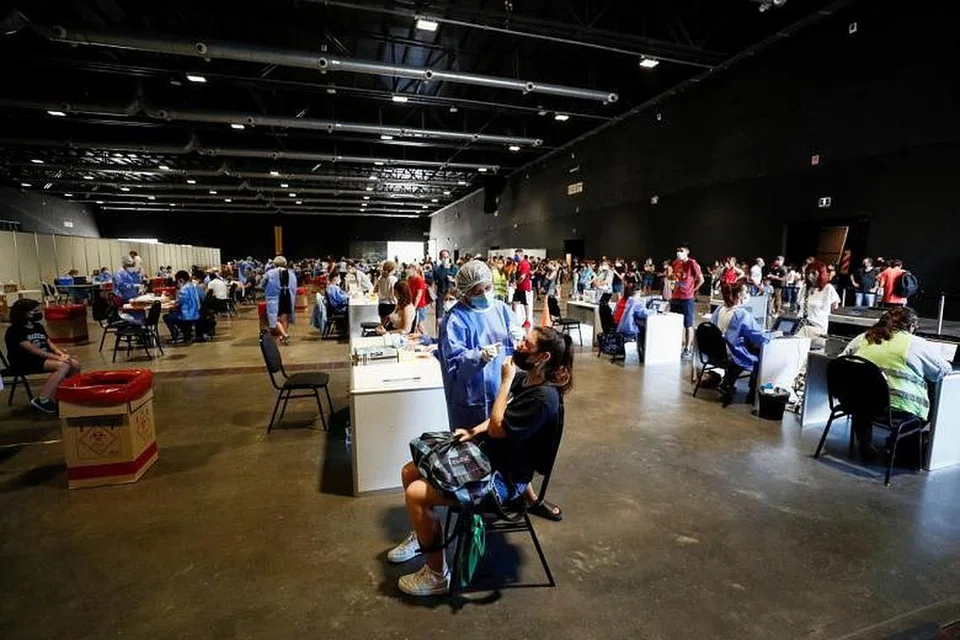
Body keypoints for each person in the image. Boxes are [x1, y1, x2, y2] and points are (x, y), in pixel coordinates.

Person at [388, 325, 573, 596]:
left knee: (416, 493)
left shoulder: (543, 398)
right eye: (522, 340)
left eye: (527, 344)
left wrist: (505, 381)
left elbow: (498, 428)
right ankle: (423, 535)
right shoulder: (528, 379)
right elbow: (499, 419)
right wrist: (473, 432)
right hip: (488, 456)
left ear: (543, 357)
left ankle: (437, 576)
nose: (519, 345)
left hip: (503, 481)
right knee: (410, 471)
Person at [840, 307, 951, 462]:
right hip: (895, 408)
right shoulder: (914, 343)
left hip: (857, 403)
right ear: (911, 326)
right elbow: (942, 371)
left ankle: (865, 443)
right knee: (932, 393)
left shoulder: (863, 337)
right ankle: (895, 444)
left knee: (865, 396)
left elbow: (841, 361)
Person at [4, 298, 82, 414]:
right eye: (34, 311)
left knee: (74, 364)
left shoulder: (38, 326)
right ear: (23, 313)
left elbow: (49, 343)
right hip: (24, 361)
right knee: (63, 366)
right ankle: (43, 399)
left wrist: (61, 354)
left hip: (41, 359)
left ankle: (68, 396)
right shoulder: (14, 330)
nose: (38, 313)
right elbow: (32, 350)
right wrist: (57, 358)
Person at [710, 280, 772, 406]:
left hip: (717, 352)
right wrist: (771, 336)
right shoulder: (741, 314)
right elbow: (757, 336)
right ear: (739, 295)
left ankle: (728, 380)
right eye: (746, 292)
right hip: (732, 354)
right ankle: (752, 391)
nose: (748, 295)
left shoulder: (719, 309)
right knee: (759, 356)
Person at [670, 243, 704, 360]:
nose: (679, 252)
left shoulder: (692, 263)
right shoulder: (675, 263)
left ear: (687, 252)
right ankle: (674, 345)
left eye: (681, 250)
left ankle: (688, 348)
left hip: (687, 298)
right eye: (677, 250)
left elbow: (701, 279)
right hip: (675, 297)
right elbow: (674, 277)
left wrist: (693, 290)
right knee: (674, 322)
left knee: (688, 324)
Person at [796, 261, 840, 341]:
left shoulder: (828, 288)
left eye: (814, 273)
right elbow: (799, 305)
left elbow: (835, 307)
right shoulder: (804, 288)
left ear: (822, 274)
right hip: (801, 326)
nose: (810, 276)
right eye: (808, 273)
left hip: (817, 327)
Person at [263, 256, 297, 345]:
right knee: (285, 317)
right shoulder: (291, 273)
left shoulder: (269, 273)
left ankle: (284, 335)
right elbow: (295, 285)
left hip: (275, 297)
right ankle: (283, 337)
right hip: (288, 297)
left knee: (274, 318)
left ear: (274, 264)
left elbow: (263, 283)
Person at [163, 270, 202, 343]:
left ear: (181, 280)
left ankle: (175, 336)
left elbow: (179, 303)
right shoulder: (194, 286)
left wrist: (173, 303)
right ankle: (185, 333)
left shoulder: (183, 289)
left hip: (186, 316)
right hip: (196, 314)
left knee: (167, 317)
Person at [433, 250, 458, 322]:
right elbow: (434, 283)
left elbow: (459, 281)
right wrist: (433, 298)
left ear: (449, 257)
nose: (445, 259)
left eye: (446, 257)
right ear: (440, 258)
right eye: (443, 257)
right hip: (440, 294)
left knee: (452, 315)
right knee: (439, 317)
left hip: (452, 294)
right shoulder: (437, 269)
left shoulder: (454, 268)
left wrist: (453, 280)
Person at [407, 264, 430, 333]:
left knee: (419, 324)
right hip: (412, 303)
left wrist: (414, 307)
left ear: (415, 270)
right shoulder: (409, 279)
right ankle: (418, 337)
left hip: (419, 305)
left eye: (410, 269)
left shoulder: (419, 280)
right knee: (415, 325)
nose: (408, 270)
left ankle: (426, 336)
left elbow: (418, 295)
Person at [514, 249, 533, 328]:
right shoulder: (519, 264)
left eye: (516, 255)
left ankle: (527, 320)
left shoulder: (525, 264)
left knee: (525, 304)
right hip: (518, 288)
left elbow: (523, 276)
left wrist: (516, 283)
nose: (515, 257)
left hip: (524, 288)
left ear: (521, 255)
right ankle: (513, 318)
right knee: (514, 302)